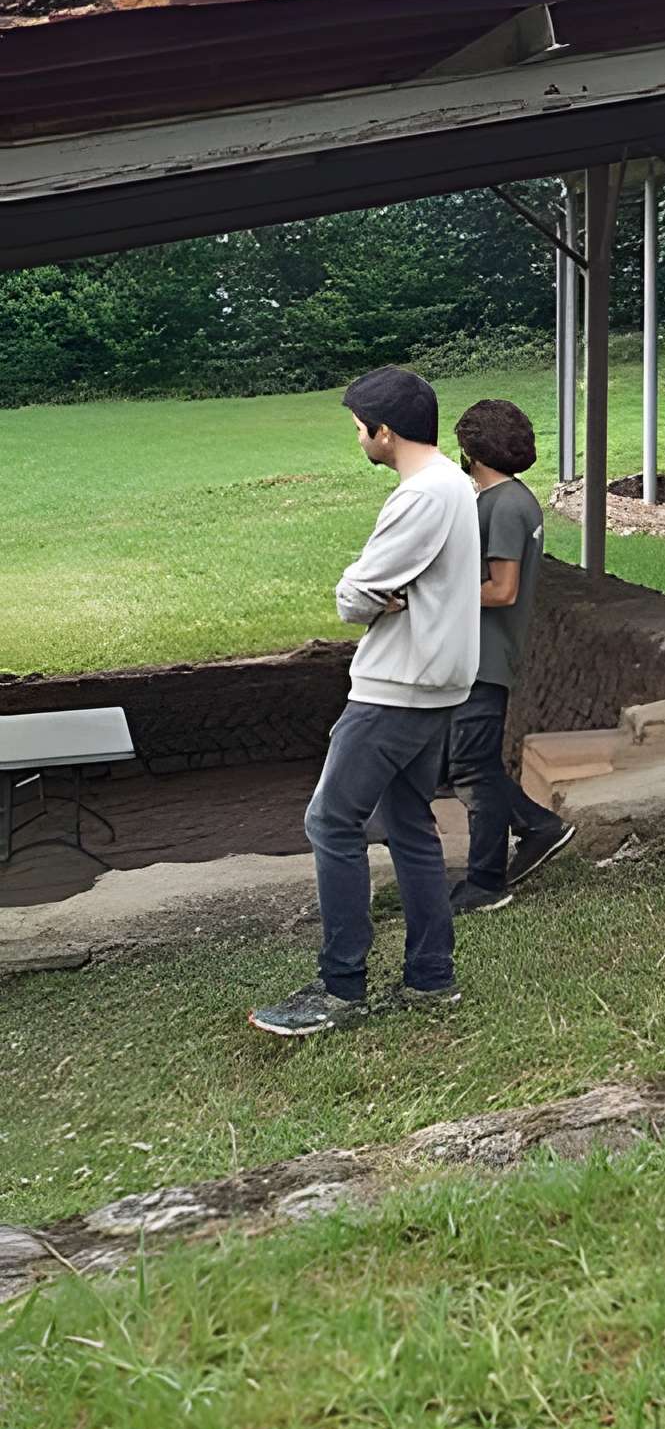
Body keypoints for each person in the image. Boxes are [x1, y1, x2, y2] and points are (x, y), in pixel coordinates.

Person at [251, 365, 480, 1037]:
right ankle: (431, 976)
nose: (358, 439)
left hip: (396, 690)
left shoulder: (421, 496)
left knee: (331, 822)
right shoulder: (454, 485)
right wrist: (383, 593)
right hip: (434, 685)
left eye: (359, 429)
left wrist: (368, 594)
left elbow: (354, 594)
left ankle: (340, 987)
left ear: (385, 432)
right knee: (408, 823)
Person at [442, 397, 576, 915]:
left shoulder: (505, 505)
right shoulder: (502, 499)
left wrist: (431, 597)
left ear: (474, 450)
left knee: (472, 769)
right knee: (470, 764)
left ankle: (486, 880)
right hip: (476, 653)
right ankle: (538, 827)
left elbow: (502, 590)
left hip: (485, 655)